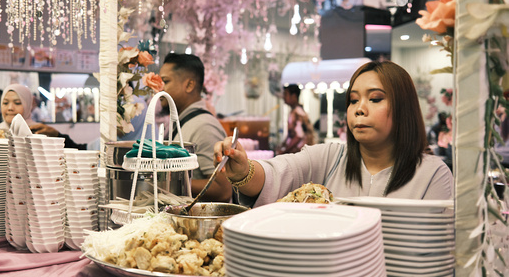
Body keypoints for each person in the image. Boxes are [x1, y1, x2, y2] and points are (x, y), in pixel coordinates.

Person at [214, 61, 453, 208]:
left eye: (375, 99)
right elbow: (279, 173)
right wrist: (244, 171)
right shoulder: (329, 158)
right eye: (353, 100)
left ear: (404, 107)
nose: (360, 108)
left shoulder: (432, 174)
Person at [160, 53, 232, 202]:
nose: (160, 89)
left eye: (165, 81)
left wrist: (164, 183)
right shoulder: (181, 122)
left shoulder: (204, 126)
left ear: (189, 85)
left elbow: (223, 189)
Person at [277, 84, 316, 154]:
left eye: (286, 94)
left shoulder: (297, 113)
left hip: (300, 153)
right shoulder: (297, 111)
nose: (283, 97)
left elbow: (298, 136)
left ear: (294, 96)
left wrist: (285, 151)